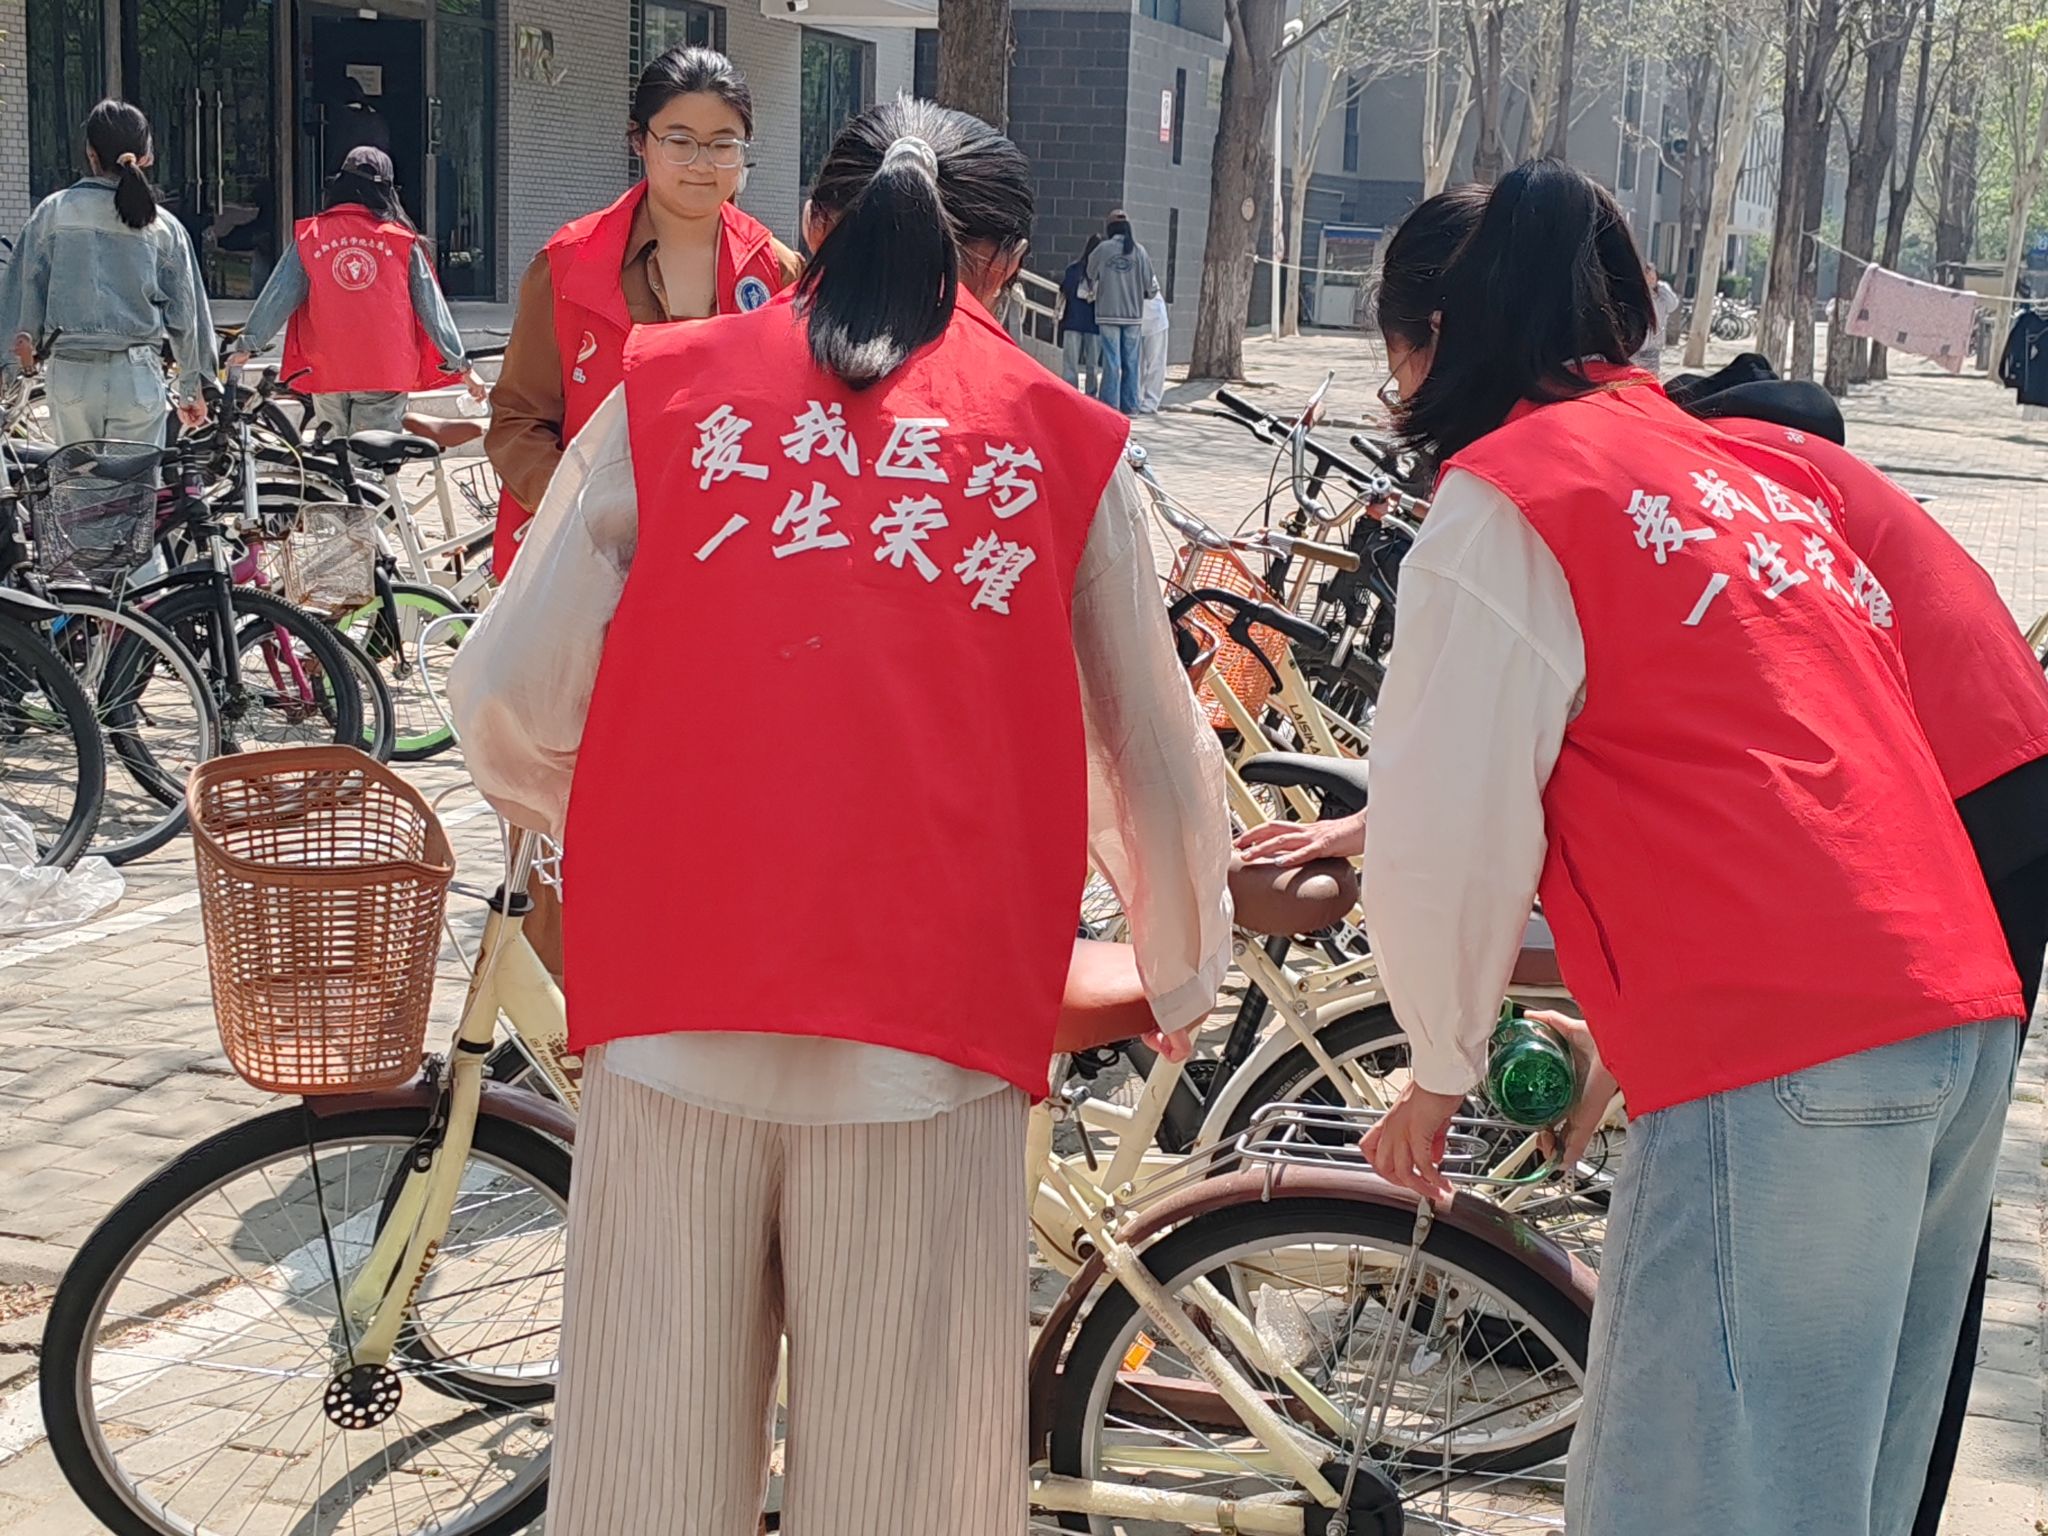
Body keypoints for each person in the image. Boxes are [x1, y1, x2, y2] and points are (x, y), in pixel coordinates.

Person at [446, 98, 1232, 1533]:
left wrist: (629, 818)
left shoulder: (666, 398)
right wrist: (1183, 967)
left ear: (811, 223)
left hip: (674, 1012)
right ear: (1005, 265)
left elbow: (500, 694)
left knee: (642, 1478)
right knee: (898, 1486)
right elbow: (1152, 762)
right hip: (928, 1034)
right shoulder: (1058, 440)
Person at [1352, 164, 2020, 1536]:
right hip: (1955, 1006)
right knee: (1835, 1492)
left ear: (1435, 338)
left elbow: (1444, 828)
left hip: (1778, 1041)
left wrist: (1437, 1061)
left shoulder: (1511, 493)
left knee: (1693, 1495)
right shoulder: (1732, 468)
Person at [1675, 367, 2048, 1536]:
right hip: (2003, 779)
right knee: (1939, 1181)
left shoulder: (1724, 482)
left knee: (1917, 1185)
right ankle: (1890, 1498)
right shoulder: (1809, 475)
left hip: (1973, 798)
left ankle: (1876, 1492)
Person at [486, 46, 802, 575]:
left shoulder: (778, 272)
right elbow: (518, 420)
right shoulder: (568, 266)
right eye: (680, 141)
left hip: (731, 555)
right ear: (640, 140)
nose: (702, 164)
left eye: (723, 144)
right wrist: (589, 515)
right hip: (590, 560)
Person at [228, 147, 484, 440]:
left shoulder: (312, 236)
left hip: (327, 367)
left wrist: (249, 344)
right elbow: (431, 308)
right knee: (373, 458)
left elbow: (279, 296)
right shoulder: (401, 241)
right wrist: (461, 366)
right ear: (387, 190)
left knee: (333, 456)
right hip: (383, 369)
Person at [0, 100, 213, 446]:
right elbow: (187, 318)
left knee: (77, 478)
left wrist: (9, 371)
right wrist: (192, 388)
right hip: (137, 376)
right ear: (145, 156)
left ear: (91, 153)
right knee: (136, 480)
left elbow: (22, 294)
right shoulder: (164, 227)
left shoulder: (52, 213)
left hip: (71, 374)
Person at [1086, 209, 1158, 415]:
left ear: (1110, 228)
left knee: (1112, 361)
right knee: (1132, 362)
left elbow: (1090, 272)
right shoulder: (1139, 251)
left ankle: (1110, 406)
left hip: (1107, 313)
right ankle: (1131, 405)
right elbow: (1150, 286)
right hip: (1133, 315)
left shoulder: (1102, 249)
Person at [1057, 233, 1102, 395]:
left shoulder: (1073, 269)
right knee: (1092, 365)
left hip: (1073, 320)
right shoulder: (1102, 274)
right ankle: (1091, 394)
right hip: (1094, 323)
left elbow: (1065, 290)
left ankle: (1070, 393)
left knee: (1070, 363)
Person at [1633, 261, 1680, 373]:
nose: (1651, 280)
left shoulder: (1661, 296)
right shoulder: (1636, 294)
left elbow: (1673, 305)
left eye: (1653, 277)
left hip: (1653, 346)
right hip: (1637, 346)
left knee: (1651, 376)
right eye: (1648, 277)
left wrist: (1661, 287)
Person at [1138, 285, 1170, 413]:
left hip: (1155, 321)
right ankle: (1136, 399)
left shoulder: (1148, 276)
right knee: (1136, 365)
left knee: (1156, 363)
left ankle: (1151, 402)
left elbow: (1151, 292)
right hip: (1135, 323)